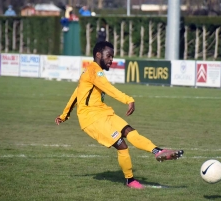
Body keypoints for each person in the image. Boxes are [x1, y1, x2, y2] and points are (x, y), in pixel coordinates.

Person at [55, 41, 184, 189]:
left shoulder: (91, 71)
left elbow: (76, 94)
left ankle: (158, 151)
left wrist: (64, 115)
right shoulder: (94, 71)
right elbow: (108, 89)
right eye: (108, 56)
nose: (111, 60)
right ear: (98, 55)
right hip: (92, 119)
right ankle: (130, 180)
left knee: (130, 131)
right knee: (122, 146)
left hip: (104, 113)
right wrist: (128, 99)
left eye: (112, 56)